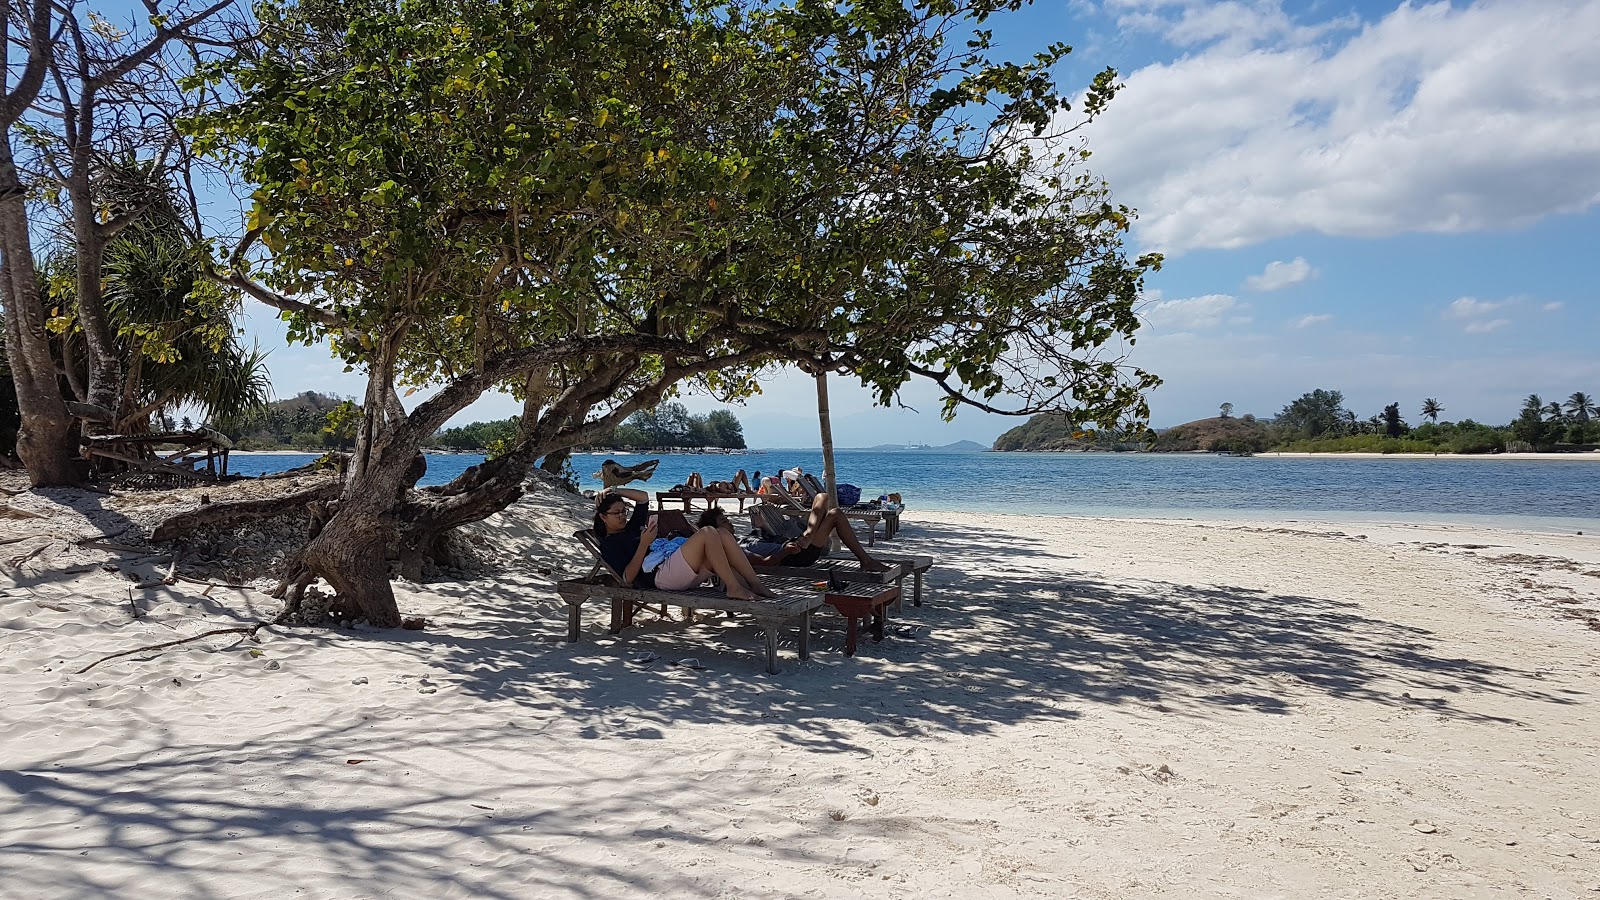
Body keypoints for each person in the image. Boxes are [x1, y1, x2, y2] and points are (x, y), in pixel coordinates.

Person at [593, 488, 773, 600]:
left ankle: (754, 583)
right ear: (603, 517)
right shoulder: (610, 544)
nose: (622, 516)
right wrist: (643, 544)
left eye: (624, 511)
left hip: (675, 569)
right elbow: (627, 578)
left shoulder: (630, 528)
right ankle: (733, 587)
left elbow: (643, 498)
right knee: (708, 532)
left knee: (723, 534)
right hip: (660, 577)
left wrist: (614, 490)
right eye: (616, 513)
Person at [697, 494, 889, 572]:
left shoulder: (742, 538)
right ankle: (865, 560)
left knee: (823, 498)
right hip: (795, 556)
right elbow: (766, 562)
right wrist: (786, 551)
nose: (729, 521)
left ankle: (808, 535)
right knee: (835, 514)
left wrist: (764, 528)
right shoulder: (734, 548)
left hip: (796, 545)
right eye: (724, 521)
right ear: (714, 530)